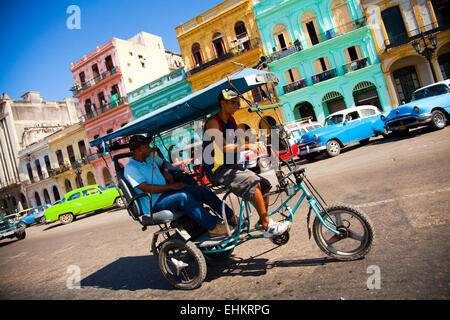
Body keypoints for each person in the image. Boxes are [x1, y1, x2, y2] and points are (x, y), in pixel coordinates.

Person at [202, 89, 291, 238]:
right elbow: (223, 147)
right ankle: (266, 224)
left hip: (232, 166)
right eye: (233, 103)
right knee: (253, 181)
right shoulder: (213, 122)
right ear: (223, 103)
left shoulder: (231, 121)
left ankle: (262, 220)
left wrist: (264, 141)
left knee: (266, 184)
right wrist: (248, 146)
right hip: (217, 170)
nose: (237, 105)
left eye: (238, 102)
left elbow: (242, 140)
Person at [124, 135, 239, 237]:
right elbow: (146, 188)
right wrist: (172, 186)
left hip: (168, 193)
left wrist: (165, 171)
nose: (149, 148)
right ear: (139, 150)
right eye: (146, 147)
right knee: (183, 197)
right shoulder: (130, 168)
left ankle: (230, 217)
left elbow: (164, 162)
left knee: (203, 190)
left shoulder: (150, 158)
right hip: (154, 203)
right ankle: (213, 227)